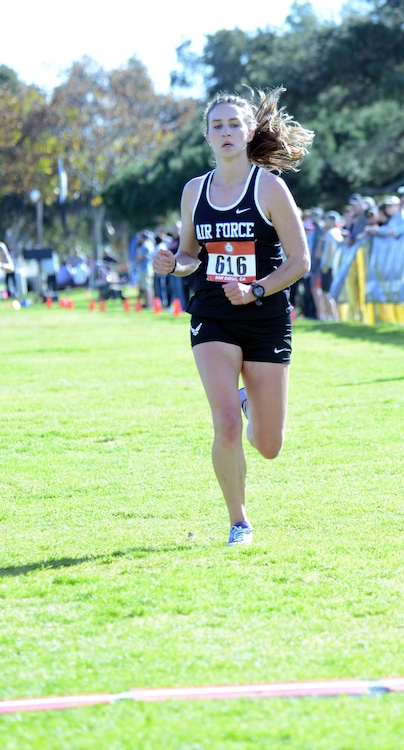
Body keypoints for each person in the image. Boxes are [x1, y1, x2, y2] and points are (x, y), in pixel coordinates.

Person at [152, 87, 313, 546]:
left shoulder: (269, 187)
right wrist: (173, 263)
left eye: (234, 124)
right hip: (212, 315)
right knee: (225, 423)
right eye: (217, 125)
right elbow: (189, 254)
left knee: (268, 445)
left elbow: (300, 261)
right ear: (206, 135)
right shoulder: (194, 192)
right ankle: (238, 521)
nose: (225, 132)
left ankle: (251, 401)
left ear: (248, 133)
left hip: (265, 316)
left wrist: (257, 288)